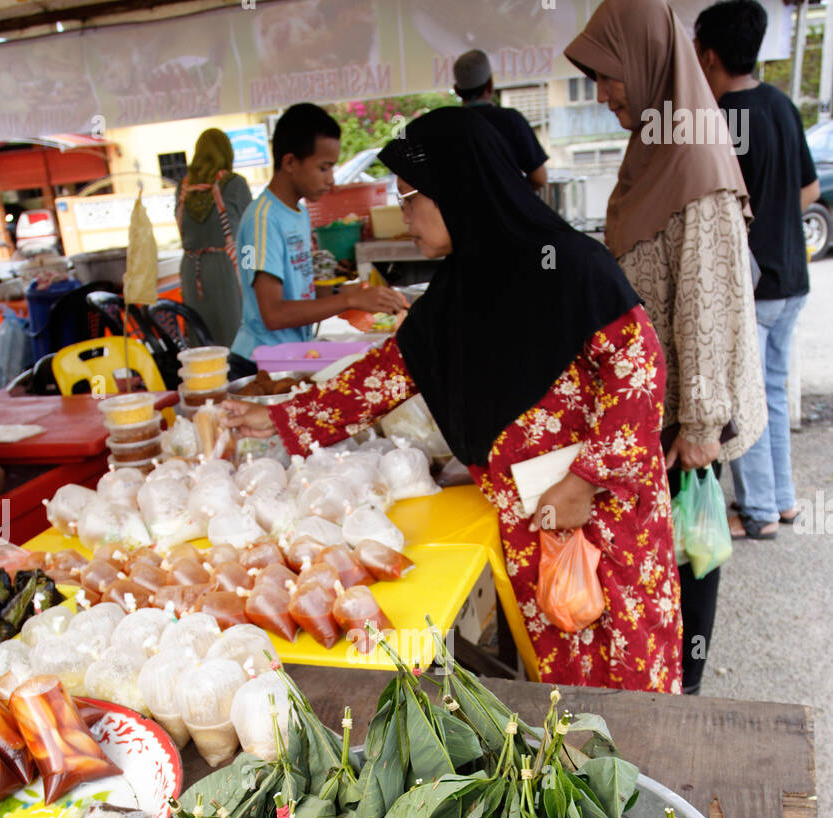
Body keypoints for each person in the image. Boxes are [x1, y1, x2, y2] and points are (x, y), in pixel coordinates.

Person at [221, 107, 682, 693]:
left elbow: (638, 375)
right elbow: (380, 377)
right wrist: (277, 418)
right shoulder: (456, 294)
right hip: (530, 520)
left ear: (459, 190)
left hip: (608, 517)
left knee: (630, 668)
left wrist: (587, 480)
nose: (403, 213)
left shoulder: (572, 267)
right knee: (566, 675)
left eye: (411, 197)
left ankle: (650, 781)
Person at [565, 0, 767, 694]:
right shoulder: (655, 145)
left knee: (687, 566)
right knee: (666, 571)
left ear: (648, 62)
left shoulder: (694, 158)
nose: (602, 93)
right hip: (660, 414)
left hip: (686, 426)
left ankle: (684, 703)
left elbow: (711, 295)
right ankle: (668, 688)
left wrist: (705, 425)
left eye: (609, 75)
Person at [694, 0, 820, 540]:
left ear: (712, 55)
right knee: (769, 390)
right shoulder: (782, 105)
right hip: (793, 277)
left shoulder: (723, 120)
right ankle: (782, 502)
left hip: (753, 284)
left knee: (744, 400)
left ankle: (760, 513)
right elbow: (809, 190)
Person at [228, 103, 406, 377]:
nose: (331, 180)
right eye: (324, 168)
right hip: (260, 365)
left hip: (292, 356)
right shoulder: (262, 220)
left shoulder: (297, 213)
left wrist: (356, 295)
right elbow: (273, 314)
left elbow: (305, 294)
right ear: (289, 163)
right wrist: (348, 301)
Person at [176, 129, 253, 348]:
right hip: (225, 267)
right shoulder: (234, 184)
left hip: (192, 269)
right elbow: (252, 232)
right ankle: (237, 380)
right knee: (234, 335)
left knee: (201, 339)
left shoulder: (182, 188)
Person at [453, 49, 549, 190]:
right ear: (491, 84)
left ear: (456, 90)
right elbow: (539, 179)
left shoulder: (449, 126)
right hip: (508, 211)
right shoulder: (511, 120)